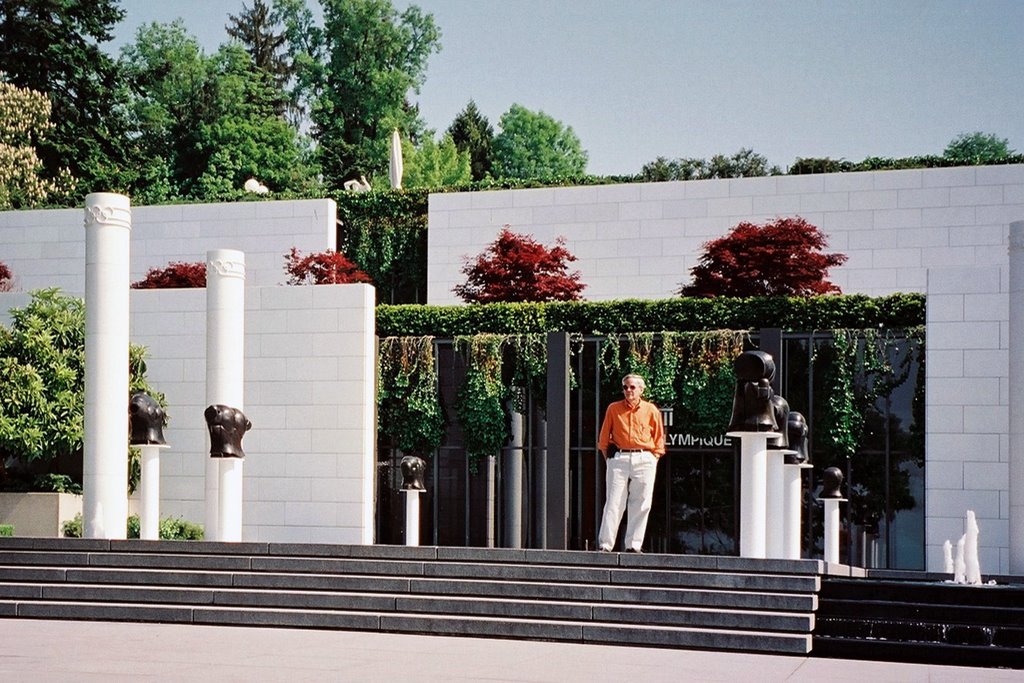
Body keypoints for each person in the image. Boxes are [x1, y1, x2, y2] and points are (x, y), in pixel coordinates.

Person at [596, 373, 666, 552]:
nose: (628, 390)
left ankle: (634, 545)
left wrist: (653, 458)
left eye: (632, 387)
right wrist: (611, 461)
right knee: (613, 501)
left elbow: (658, 438)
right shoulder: (613, 408)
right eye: (625, 387)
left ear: (641, 390)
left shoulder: (651, 410)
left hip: (644, 458)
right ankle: (605, 545)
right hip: (620, 458)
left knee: (642, 502)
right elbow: (604, 439)